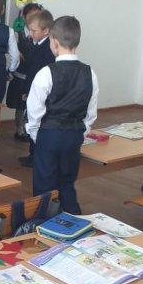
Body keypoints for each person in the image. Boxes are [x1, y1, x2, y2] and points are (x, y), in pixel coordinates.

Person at [26, 15, 98, 213]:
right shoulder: (90, 73)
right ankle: (73, 222)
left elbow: (34, 111)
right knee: (67, 182)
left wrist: (36, 135)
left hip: (49, 134)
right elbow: (91, 113)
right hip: (74, 135)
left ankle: (44, 223)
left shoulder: (46, 73)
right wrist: (81, 132)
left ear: (54, 42)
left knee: (44, 186)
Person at [19, 9, 56, 167]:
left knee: (37, 122)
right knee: (31, 121)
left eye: (34, 31)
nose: (31, 34)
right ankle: (32, 154)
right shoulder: (36, 44)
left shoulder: (48, 49)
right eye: (30, 30)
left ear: (46, 31)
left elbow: (39, 74)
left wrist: (30, 92)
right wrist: (26, 91)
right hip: (32, 90)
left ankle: (36, 156)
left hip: (41, 93)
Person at [7, 3, 42, 141]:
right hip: (22, 73)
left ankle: (30, 128)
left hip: (36, 74)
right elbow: (10, 47)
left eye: (38, 14)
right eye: (32, 15)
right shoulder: (18, 31)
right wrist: (16, 51)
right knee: (21, 104)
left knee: (34, 104)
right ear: (24, 16)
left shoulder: (42, 32)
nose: (35, 18)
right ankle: (19, 130)